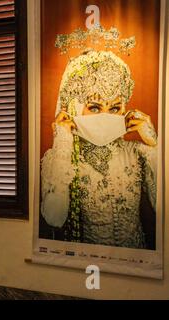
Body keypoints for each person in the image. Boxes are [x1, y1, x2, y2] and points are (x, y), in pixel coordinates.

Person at [41, 50, 157, 249]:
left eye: (114, 109)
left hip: (137, 266)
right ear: (74, 109)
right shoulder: (62, 158)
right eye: (94, 108)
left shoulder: (136, 153)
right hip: (86, 263)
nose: (105, 116)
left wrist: (154, 145)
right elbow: (54, 217)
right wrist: (63, 142)